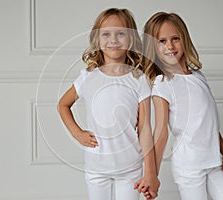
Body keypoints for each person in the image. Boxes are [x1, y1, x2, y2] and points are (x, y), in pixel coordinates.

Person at [58, 8, 159, 200]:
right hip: (97, 168)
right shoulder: (87, 77)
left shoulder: (139, 80)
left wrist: (151, 172)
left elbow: (145, 128)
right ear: (97, 39)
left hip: (130, 167)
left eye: (120, 33)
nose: (113, 39)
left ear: (130, 40)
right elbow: (63, 105)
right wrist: (77, 133)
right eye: (106, 34)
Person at [140, 12, 223, 199]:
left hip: (213, 163)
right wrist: (152, 175)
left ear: (184, 39)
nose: (170, 46)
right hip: (189, 167)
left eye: (175, 38)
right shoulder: (162, 83)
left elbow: (207, 121)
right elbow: (161, 133)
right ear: (153, 47)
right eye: (162, 41)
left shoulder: (199, 77)